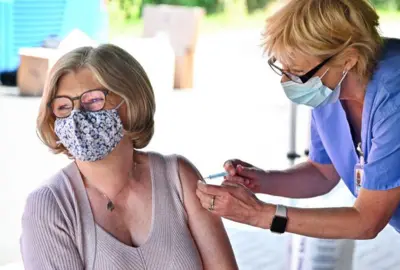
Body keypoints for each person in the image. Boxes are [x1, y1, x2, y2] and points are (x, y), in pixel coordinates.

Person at [195, 0, 400, 269]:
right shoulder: (331, 89)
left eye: (298, 73)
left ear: (348, 59)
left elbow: (366, 221)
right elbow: (322, 173)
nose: (287, 81)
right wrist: (260, 180)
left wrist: (258, 214)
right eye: (282, 69)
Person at [21, 44, 238, 270]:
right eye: (64, 106)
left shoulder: (179, 178)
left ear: (131, 100)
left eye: (93, 100)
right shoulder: (49, 206)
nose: (77, 117)